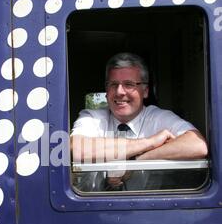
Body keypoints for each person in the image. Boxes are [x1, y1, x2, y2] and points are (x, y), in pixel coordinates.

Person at [70, 52, 208, 191]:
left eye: (129, 84)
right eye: (113, 84)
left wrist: (136, 161)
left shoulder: (158, 117)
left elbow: (198, 145)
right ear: (106, 90)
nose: (119, 92)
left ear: (145, 91)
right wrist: (149, 142)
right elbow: (76, 149)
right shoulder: (92, 117)